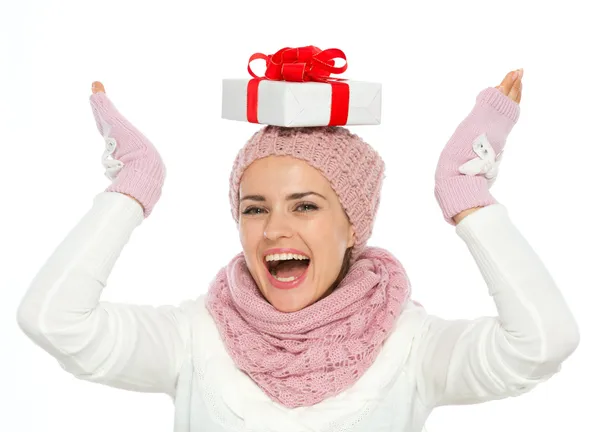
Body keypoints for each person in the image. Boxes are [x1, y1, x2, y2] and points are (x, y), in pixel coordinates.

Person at [16, 69, 580, 432]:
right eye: (254, 208)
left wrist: (467, 198)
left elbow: (543, 343)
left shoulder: (412, 347)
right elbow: (52, 320)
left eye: (305, 205)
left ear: (352, 224)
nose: (273, 230)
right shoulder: (193, 337)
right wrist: (132, 189)